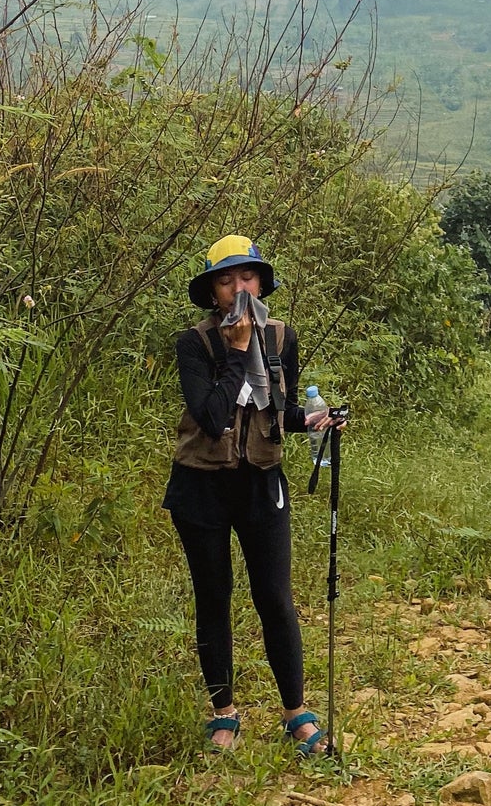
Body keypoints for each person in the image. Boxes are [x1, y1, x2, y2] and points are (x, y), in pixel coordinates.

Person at [163, 234, 343, 754]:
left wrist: (313, 419)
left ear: (262, 282)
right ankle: (224, 715)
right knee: (214, 598)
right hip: (201, 487)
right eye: (226, 280)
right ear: (213, 292)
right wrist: (240, 350)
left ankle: (297, 714)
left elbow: (277, 411)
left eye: (247, 277)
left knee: (275, 598)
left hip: (262, 483)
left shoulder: (283, 338)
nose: (238, 288)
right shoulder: (195, 344)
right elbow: (213, 415)